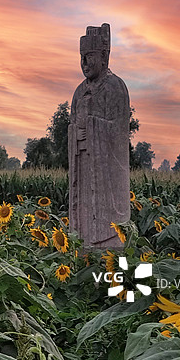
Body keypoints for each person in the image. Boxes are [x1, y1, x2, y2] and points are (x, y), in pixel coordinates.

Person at [68, 24, 131, 248]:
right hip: (84, 163)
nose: (85, 63)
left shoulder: (115, 87)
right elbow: (72, 124)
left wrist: (93, 127)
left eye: (90, 57)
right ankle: (83, 240)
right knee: (83, 213)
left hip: (106, 169)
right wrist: (76, 132)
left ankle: (108, 244)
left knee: (108, 232)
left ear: (104, 56)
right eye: (82, 57)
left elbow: (120, 130)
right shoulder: (79, 91)